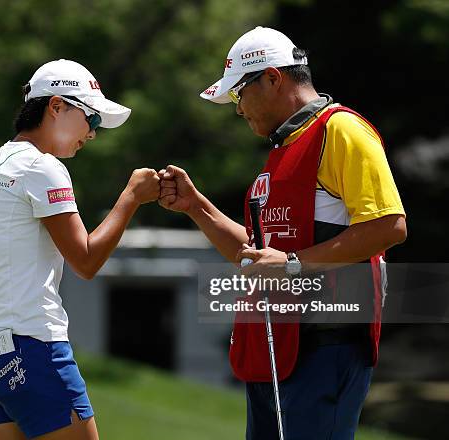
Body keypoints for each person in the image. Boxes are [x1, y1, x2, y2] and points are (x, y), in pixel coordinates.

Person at [158, 26, 407, 439]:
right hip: (277, 348)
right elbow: (258, 258)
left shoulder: (341, 129)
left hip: (325, 346)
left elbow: (389, 225)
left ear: (273, 78)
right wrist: (195, 206)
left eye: (239, 94)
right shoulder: (284, 148)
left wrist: (293, 265)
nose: (237, 109)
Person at [0, 59, 160, 440]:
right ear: (56, 106)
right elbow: (86, 261)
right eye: (91, 120)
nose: (92, 134)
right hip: (33, 352)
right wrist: (132, 197)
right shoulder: (44, 167)